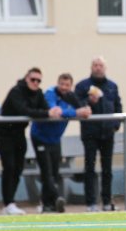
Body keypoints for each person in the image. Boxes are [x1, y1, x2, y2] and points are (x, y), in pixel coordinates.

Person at [0, 68, 62, 215]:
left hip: (19, 133)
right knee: (9, 166)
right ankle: (8, 203)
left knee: (18, 167)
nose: (36, 83)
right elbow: (24, 110)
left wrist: (53, 111)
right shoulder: (16, 91)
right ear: (26, 79)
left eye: (39, 80)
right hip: (4, 134)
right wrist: (46, 113)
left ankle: (10, 203)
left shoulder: (38, 93)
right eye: (33, 79)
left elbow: (45, 108)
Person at [31, 73, 91, 213]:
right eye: (62, 84)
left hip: (55, 139)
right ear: (57, 83)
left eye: (67, 85)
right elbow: (55, 112)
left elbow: (84, 110)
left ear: (70, 86)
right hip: (40, 137)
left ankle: (48, 205)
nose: (64, 87)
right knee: (46, 171)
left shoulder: (71, 96)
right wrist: (74, 112)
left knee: (54, 171)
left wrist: (85, 108)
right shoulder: (50, 93)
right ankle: (57, 197)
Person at [75, 57, 122, 212]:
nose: (98, 68)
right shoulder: (83, 86)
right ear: (91, 67)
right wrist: (89, 101)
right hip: (90, 133)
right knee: (90, 168)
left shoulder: (112, 86)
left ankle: (107, 202)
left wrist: (115, 125)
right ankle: (91, 204)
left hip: (108, 133)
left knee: (107, 169)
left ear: (105, 68)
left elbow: (117, 106)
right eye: (95, 65)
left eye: (100, 65)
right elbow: (76, 104)